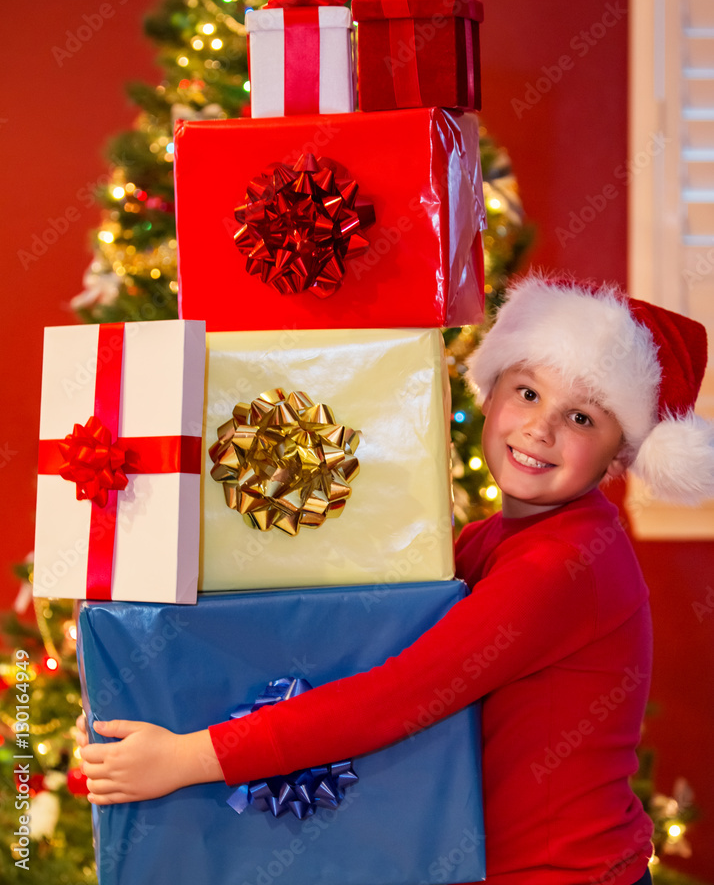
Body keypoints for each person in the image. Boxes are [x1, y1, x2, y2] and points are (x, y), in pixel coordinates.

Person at [78, 276, 714, 885]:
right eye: (527, 392)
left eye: (582, 419)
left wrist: (189, 758)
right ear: (489, 395)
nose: (540, 427)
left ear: (619, 452)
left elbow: (399, 694)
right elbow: (350, 646)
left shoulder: (568, 564)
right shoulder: (488, 538)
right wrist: (149, 713)